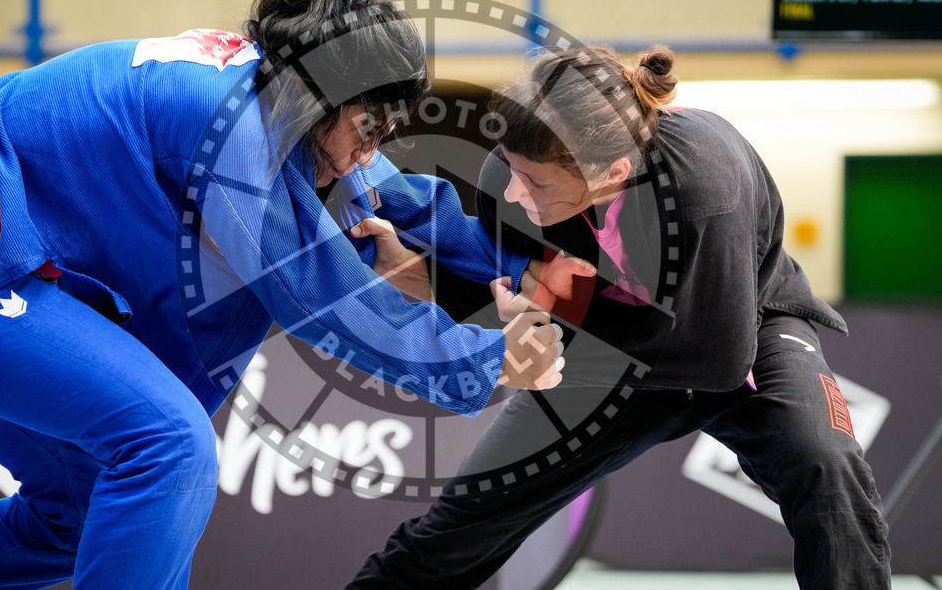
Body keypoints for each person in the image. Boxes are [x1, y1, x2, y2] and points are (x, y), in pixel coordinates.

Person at [0, 0, 564, 588]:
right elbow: (318, 292)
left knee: (82, 514)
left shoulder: (283, 89)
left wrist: (535, 258)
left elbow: (402, 198)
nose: (371, 153)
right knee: (167, 448)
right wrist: (486, 357)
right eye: (369, 131)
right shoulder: (234, 127)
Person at [349, 46, 892, 589]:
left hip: (744, 328)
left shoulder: (702, 184)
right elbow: (507, 275)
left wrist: (550, 303)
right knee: (463, 522)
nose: (514, 191)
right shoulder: (508, 181)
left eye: (535, 182)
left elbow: (716, 363)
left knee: (829, 471)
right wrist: (426, 275)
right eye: (511, 168)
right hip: (608, 351)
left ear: (612, 172)